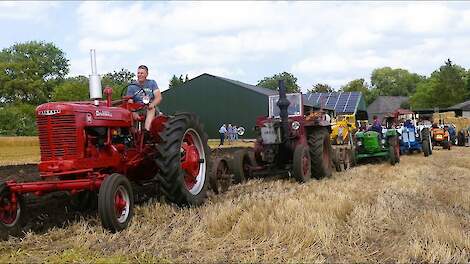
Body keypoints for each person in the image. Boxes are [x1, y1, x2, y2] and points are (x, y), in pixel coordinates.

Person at [126, 65, 162, 131]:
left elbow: (158, 97)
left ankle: (146, 130)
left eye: (142, 73)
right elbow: (129, 101)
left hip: (149, 106)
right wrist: (133, 112)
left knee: (151, 109)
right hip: (137, 108)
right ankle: (133, 134)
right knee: (128, 113)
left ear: (146, 74)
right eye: (138, 73)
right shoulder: (131, 86)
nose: (139, 75)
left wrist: (152, 104)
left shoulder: (152, 83)